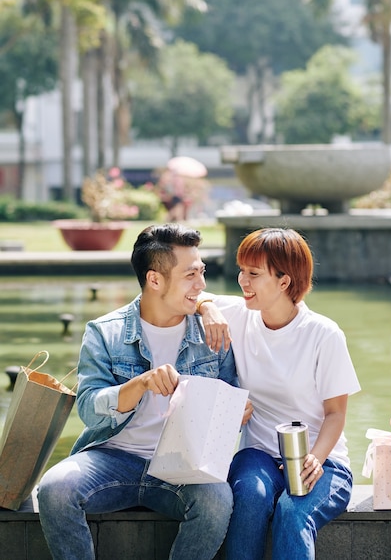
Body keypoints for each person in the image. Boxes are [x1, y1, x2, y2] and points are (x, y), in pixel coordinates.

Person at [38, 223, 250, 560]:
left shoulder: (213, 332)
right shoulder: (104, 332)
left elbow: (230, 404)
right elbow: (89, 410)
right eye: (190, 275)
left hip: (182, 465)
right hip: (111, 457)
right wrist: (140, 383)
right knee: (54, 489)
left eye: (202, 272)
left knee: (217, 500)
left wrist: (235, 414)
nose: (201, 284)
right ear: (154, 279)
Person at [196, 227, 361, 560]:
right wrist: (207, 307)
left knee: (292, 511)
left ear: (284, 281)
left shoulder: (323, 334)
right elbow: (189, 296)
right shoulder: (239, 315)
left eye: (254, 274)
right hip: (257, 454)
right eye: (242, 270)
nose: (243, 281)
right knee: (250, 500)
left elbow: (336, 413)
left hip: (321, 460)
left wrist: (315, 457)